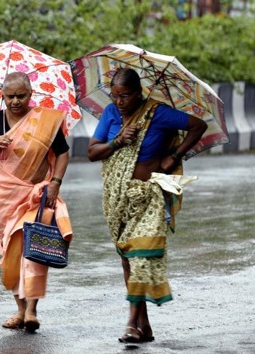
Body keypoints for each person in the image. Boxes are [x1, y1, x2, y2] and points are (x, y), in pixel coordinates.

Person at [86, 67, 207, 343]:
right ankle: (145, 325)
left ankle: (130, 323)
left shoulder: (159, 113)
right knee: (128, 259)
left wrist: (173, 157)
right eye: (114, 96)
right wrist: (117, 141)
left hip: (150, 196)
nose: (119, 102)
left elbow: (198, 126)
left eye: (125, 96)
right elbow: (92, 152)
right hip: (117, 197)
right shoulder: (111, 114)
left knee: (140, 256)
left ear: (138, 94)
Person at [0, 71, 73, 333]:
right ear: (2, 96)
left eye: (21, 95)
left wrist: (55, 182)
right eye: (10, 96)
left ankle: (31, 311)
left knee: (31, 249)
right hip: (2, 196)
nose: (16, 101)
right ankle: (20, 310)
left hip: (35, 197)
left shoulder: (45, 121)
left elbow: (62, 154)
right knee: (12, 254)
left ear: (31, 94)